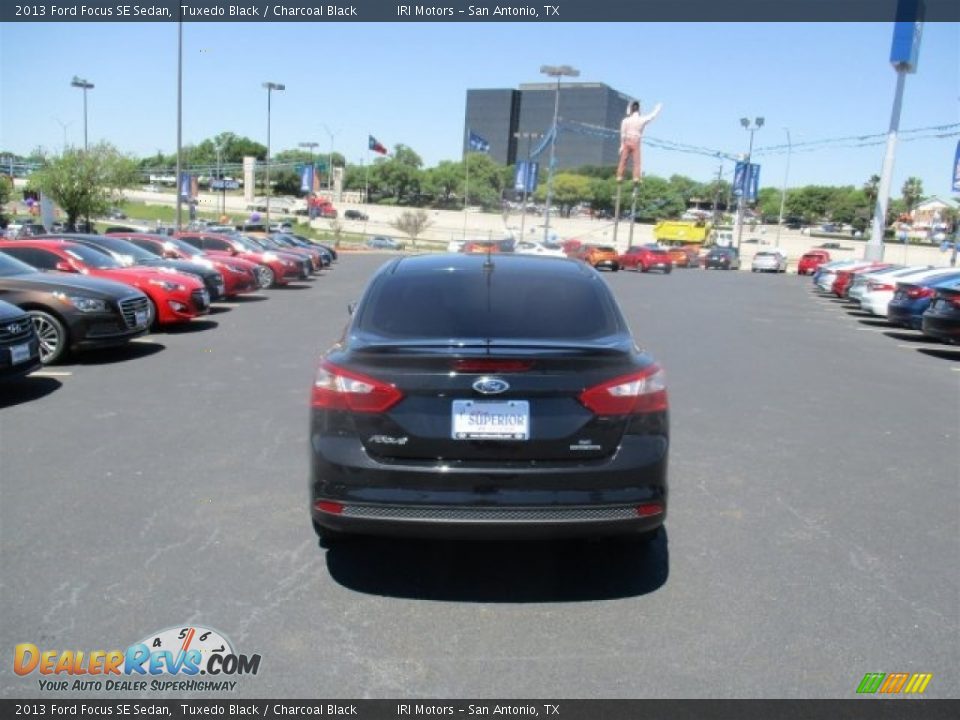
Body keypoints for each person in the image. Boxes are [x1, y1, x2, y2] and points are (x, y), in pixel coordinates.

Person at [617, 100, 662, 184]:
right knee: (637, 162)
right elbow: (652, 116)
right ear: (639, 110)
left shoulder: (625, 120)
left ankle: (619, 176)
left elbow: (623, 134)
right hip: (636, 141)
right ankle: (636, 178)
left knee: (623, 160)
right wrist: (657, 109)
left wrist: (622, 145)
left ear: (631, 110)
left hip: (627, 140)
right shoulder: (642, 119)